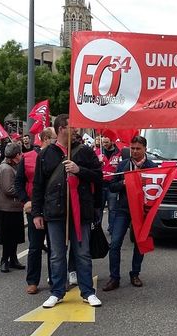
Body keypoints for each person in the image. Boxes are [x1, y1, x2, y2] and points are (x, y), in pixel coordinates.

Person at [31, 114, 103, 309]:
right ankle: (57, 291)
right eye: (73, 127)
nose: (77, 130)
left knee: (82, 253)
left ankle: (88, 292)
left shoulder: (86, 152)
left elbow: (99, 176)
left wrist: (79, 170)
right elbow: (38, 186)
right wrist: (37, 212)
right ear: (61, 128)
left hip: (81, 211)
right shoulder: (46, 154)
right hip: (55, 212)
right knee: (56, 254)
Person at [103, 135, 157, 292]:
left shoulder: (152, 166)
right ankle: (114, 277)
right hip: (124, 209)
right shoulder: (123, 165)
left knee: (140, 244)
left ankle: (135, 274)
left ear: (145, 149)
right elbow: (111, 186)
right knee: (115, 244)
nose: (134, 151)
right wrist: (124, 183)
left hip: (142, 210)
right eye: (132, 148)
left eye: (137, 149)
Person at [14, 127, 56, 294]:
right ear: (45, 138)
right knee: (35, 247)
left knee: (55, 247)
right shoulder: (28, 157)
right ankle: (32, 281)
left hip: (54, 208)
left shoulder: (60, 156)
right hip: (34, 209)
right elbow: (18, 182)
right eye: (53, 138)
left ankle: (55, 279)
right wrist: (26, 200)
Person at [0, 143, 25, 273]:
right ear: (16, 155)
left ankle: (13, 259)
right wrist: (24, 191)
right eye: (20, 154)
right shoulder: (6, 169)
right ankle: (4, 260)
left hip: (14, 207)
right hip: (7, 208)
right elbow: (9, 189)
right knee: (8, 237)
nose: (21, 156)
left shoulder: (13, 166)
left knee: (14, 236)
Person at [96, 136, 121, 234]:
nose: (104, 144)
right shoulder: (98, 152)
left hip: (112, 184)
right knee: (99, 208)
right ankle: (97, 229)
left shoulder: (119, 153)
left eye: (106, 142)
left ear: (112, 141)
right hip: (101, 184)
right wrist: (98, 163)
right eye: (103, 142)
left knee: (112, 208)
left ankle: (112, 229)